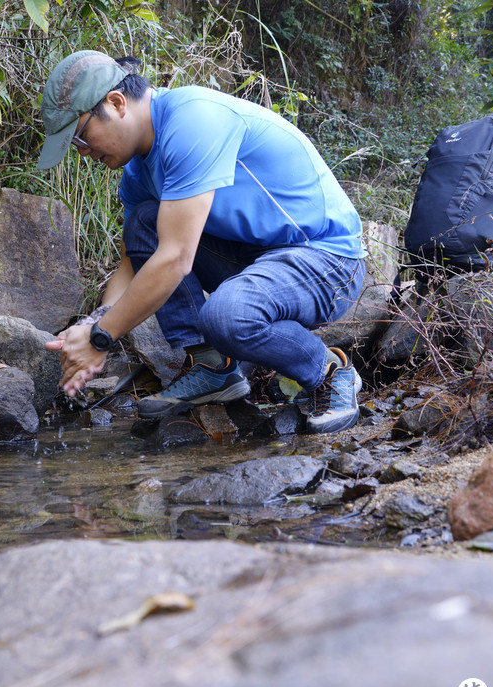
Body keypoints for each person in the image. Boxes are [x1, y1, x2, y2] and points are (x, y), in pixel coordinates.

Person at [39, 50, 367, 434]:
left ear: (116, 103)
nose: (82, 152)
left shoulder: (193, 119)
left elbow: (176, 258)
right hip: (260, 260)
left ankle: (328, 370)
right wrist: (93, 325)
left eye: (80, 136)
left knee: (227, 316)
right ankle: (213, 365)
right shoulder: (138, 171)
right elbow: (132, 263)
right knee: (143, 223)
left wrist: (101, 338)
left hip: (327, 261)